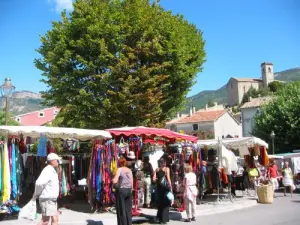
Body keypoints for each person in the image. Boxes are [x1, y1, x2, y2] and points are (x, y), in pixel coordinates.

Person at [34, 153, 61, 225]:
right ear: (52, 161)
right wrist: (37, 194)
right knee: (45, 221)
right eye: (57, 160)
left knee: (55, 219)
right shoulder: (47, 170)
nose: (58, 162)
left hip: (51, 199)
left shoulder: (51, 170)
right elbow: (38, 183)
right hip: (47, 199)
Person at [113, 157, 133, 225]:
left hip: (121, 190)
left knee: (121, 210)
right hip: (128, 190)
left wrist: (113, 179)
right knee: (128, 210)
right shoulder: (129, 170)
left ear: (119, 163)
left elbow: (115, 180)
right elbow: (131, 182)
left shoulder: (119, 169)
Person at [153, 158, 172, 224]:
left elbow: (153, 179)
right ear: (164, 163)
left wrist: (158, 179)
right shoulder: (167, 169)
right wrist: (170, 186)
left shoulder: (157, 169)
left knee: (160, 202)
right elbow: (168, 178)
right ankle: (164, 219)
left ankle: (159, 218)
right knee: (165, 203)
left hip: (159, 188)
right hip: (165, 188)